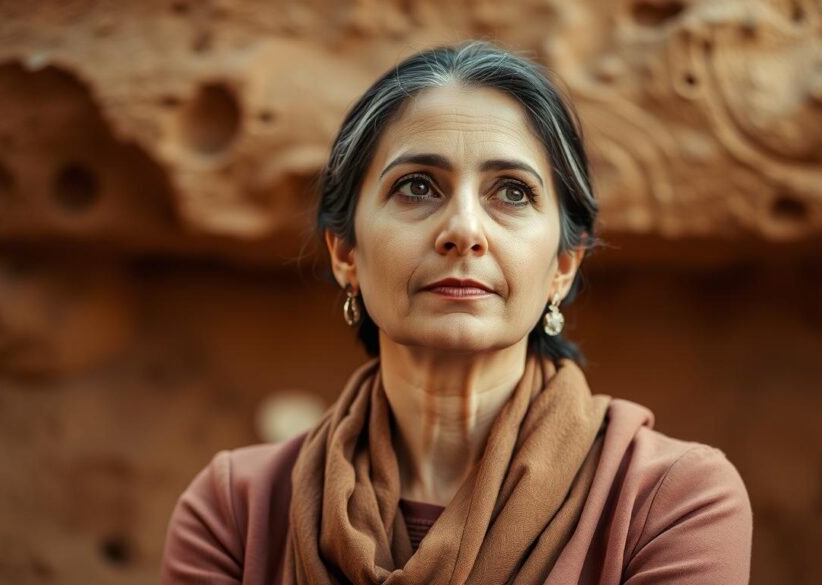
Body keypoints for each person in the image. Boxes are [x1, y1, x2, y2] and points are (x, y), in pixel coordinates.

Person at [160, 40, 753, 584]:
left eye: (512, 192)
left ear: (563, 266)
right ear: (346, 253)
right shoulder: (237, 510)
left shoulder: (669, 500)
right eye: (417, 186)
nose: (465, 231)